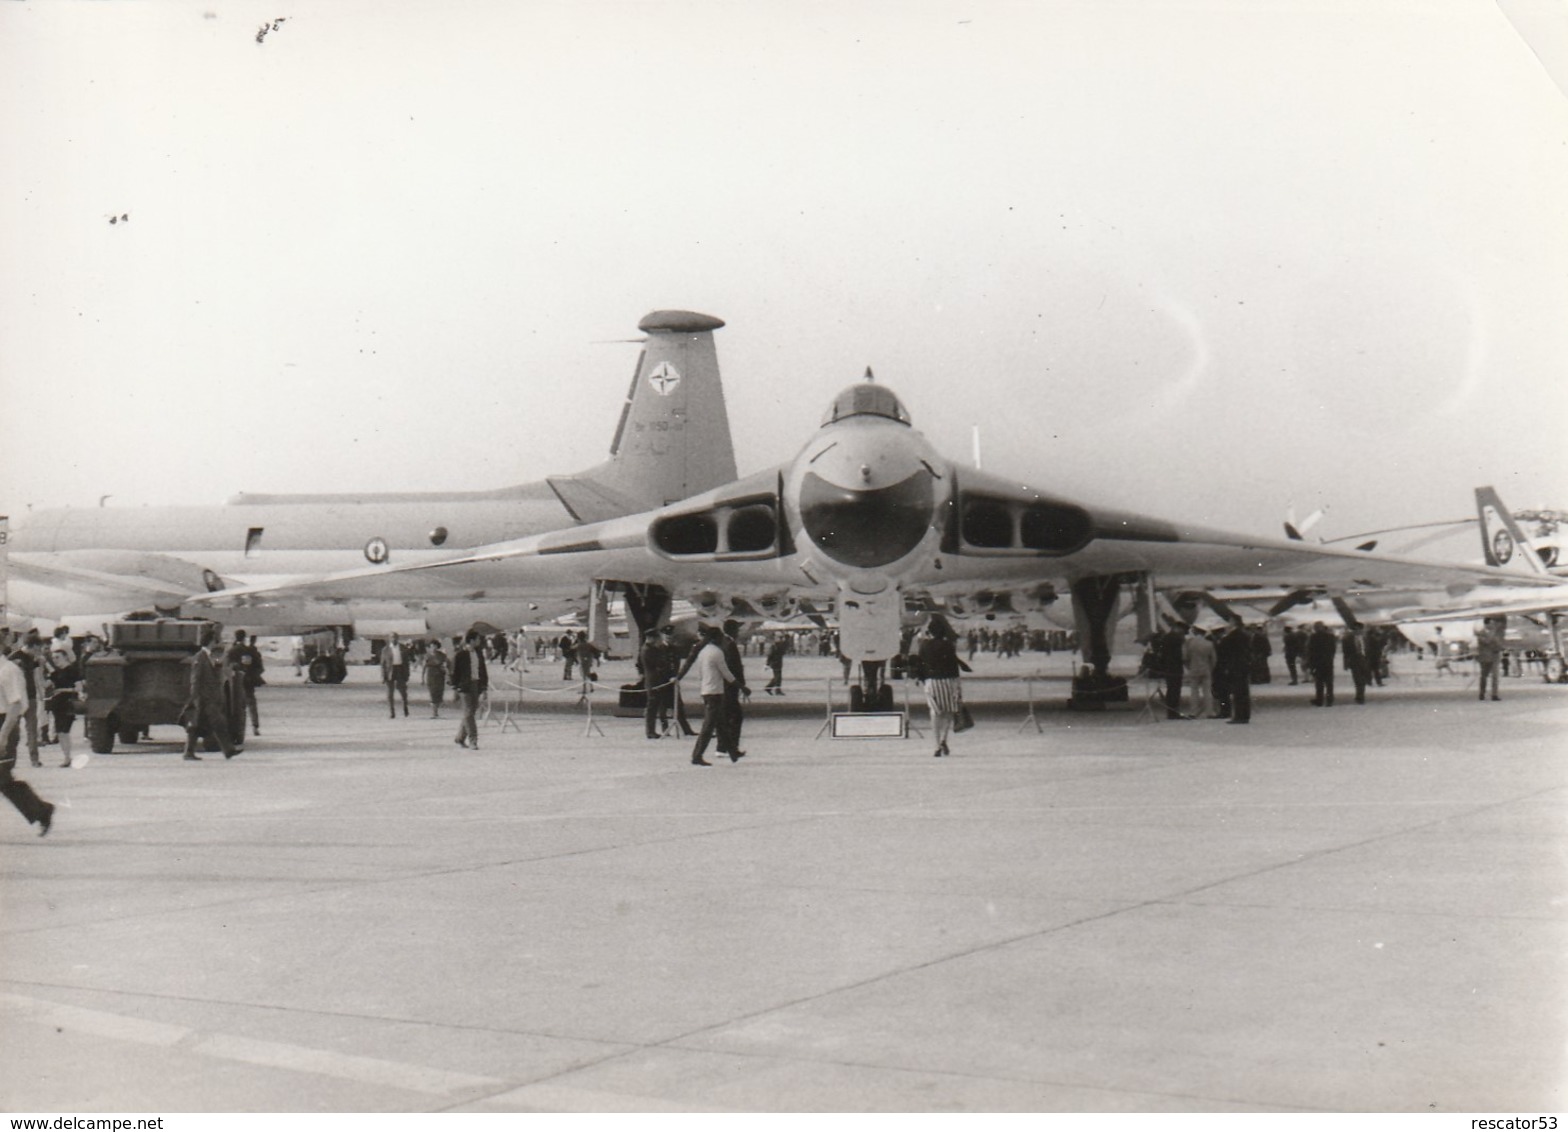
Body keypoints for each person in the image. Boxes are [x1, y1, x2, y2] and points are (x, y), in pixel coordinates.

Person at [0, 629, 54, 836]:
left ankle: (42, 810)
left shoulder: (9, 670)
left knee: (2, 779)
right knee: (3, 780)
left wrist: (3, 735)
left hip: (5, 724)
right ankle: (41, 810)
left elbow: (15, 706)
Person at [915, 614, 971, 757]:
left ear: (930, 632)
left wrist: (919, 678)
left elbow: (920, 663)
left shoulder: (924, 645)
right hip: (948, 681)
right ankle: (944, 739)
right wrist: (957, 684)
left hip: (932, 682)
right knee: (948, 712)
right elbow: (953, 665)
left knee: (935, 712)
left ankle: (936, 745)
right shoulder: (948, 645)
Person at [182, 628, 240, 760]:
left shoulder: (207, 656)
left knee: (198, 726)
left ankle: (190, 752)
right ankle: (228, 750)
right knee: (217, 723)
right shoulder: (200, 657)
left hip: (208, 698)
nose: (217, 643)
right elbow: (195, 679)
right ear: (210, 642)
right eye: (215, 641)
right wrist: (195, 698)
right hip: (204, 698)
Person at [687, 624, 737, 766]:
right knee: (708, 727)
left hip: (707, 690)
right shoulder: (716, 652)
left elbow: (700, 673)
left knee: (721, 725)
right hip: (714, 692)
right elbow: (726, 673)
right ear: (716, 637)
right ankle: (697, 756)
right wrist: (741, 686)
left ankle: (733, 752)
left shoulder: (703, 651)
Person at [45, 637, 84, 768]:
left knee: (64, 731)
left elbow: (78, 687)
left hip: (67, 702)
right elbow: (46, 685)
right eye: (54, 658)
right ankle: (66, 756)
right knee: (60, 731)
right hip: (57, 704)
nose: (55, 660)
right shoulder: (55, 673)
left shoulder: (72, 670)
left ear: (65, 657)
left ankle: (67, 757)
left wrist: (62, 689)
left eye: (57, 657)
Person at [451, 630, 489, 749]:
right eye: (477, 639)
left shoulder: (478, 653)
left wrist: (484, 687)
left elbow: (483, 670)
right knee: (468, 712)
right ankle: (473, 740)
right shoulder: (460, 654)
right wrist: (455, 688)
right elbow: (454, 672)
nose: (479, 641)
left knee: (470, 712)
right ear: (471, 640)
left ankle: (460, 737)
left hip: (476, 685)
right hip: (464, 686)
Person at [718, 620, 750, 759]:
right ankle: (731, 748)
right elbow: (733, 668)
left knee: (725, 717)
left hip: (724, 686)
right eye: (737, 629)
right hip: (730, 687)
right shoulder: (729, 644)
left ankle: (723, 747)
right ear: (732, 630)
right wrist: (741, 685)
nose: (738, 632)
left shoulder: (723, 642)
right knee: (735, 717)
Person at [225, 629, 265, 736]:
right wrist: (254, 675)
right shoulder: (250, 651)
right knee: (251, 704)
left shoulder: (231, 651)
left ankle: (237, 728)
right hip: (248, 681)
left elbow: (225, 666)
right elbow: (260, 667)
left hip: (234, 683)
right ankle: (255, 726)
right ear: (244, 638)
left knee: (237, 706)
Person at [640, 627, 675, 739]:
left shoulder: (649, 648)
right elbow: (657, 663)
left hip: (654, 680)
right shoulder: (648, 650)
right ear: (650, 638)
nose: (656, 640)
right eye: (655, 638)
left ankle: (652, 730)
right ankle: (650, 731)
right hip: (654, 681)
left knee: (655, 707)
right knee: (652, 708)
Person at [1215, 621, 1252, 724]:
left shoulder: (1231, 636)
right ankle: (1245, 715)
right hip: (1244, 666)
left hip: (1235, 667)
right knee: (1244, 692)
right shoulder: (1246, 635)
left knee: (1238, 693)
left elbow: (1222, 649)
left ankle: (1239, 716)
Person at [1183, 626, 1218, 719]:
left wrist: (1189, 667)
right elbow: (1214, 659)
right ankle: (1210, 712)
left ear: (1195, 632)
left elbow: (1185, 657)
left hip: (1194, 669)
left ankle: (1193, 712)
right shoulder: (1209, 644)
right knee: (1207, 691)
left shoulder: (1189, 643)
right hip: (1206, 669)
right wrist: (1210, 668)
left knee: (1194, 692)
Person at [1154, 625, 1186, 720]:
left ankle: (1171, 712)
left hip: (1167, 668)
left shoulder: (1165, 639)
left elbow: (1161, 656)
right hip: (1176, 669)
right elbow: (1181, 656)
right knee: (1175, 690)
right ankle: (1174, 711)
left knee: (1170, 689)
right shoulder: (1177, 640)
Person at [1307, 621, 1338, 707]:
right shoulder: (1331, 637)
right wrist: (1330, 657)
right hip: (1328, 662)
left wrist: (1310, 663)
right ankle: (1329, 700)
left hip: (1317, 663)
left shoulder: (1313, 637)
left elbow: (1311, 650)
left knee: (1319, 683)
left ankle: (1319, 700)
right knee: (1329, 683)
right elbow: (1333, 649)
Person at [380, 633, 411, 718]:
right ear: (389, 639)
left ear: (398, 638)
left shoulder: (403, 648)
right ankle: (392, 712)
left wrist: (407, 673)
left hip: (400, 669)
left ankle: (405, 706)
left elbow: (407, 662)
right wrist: (383, 675)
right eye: (392, 638)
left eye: (395, 638)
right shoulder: (385, 649)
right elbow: (383, 664)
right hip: (390, 670)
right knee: (390, 693)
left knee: (403, 691)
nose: (393, 639)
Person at [1475, 617, 1505, 702]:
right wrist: (1493, 633)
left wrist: (1501, 647)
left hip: (1495, 656)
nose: (1493, 625)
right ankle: (1482, 693)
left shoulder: (1494, 633)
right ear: (1486, 624)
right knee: (1484, 676)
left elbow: (1498, 643)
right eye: (1491, 623)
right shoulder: (1481, 633)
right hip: (1485, 657)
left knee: (1495, 676)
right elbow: (1487, 641)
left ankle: (1494, 694)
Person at [1342, 626, 1371, 705]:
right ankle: (1360, 696)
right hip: (1354, 660)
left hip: (1364, 660)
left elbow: (1369, 650)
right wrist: (1345, 663)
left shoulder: (1365, 639)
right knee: (1357, 678)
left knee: (1363, 678)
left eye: (1360, 630)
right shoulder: (1348, 639)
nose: (1358, 631)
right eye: (1356, 630)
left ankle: (1360, 694)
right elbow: (1345, 653)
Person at [423, 640, 450, 718]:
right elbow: (424, 667)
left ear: (437, 646)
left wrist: (448, 676)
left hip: (440, 676)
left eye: (435, 646)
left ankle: (436, 710)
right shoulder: (427, 656)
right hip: (430, 676)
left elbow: (445, 666)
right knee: (433, 693)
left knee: (439, 693)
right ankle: (434, 712)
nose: (433, 648)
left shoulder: (442, 655)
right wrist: (422, 678)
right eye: (431, 646)